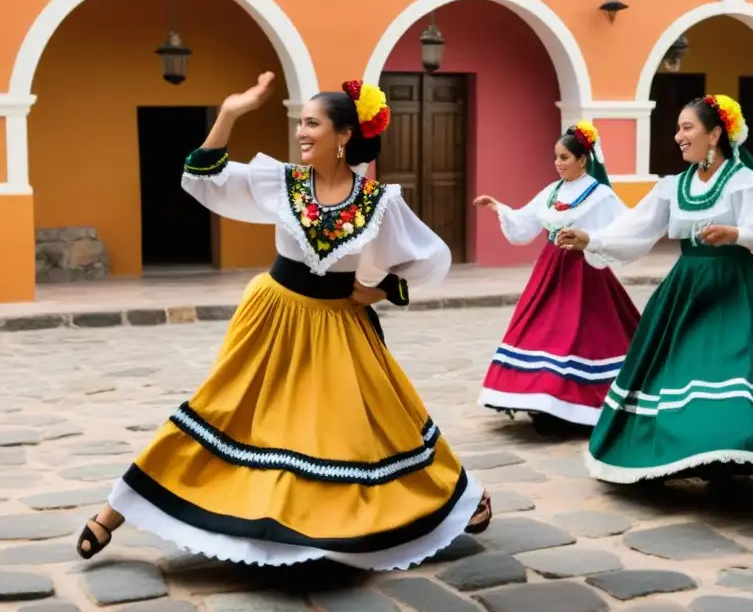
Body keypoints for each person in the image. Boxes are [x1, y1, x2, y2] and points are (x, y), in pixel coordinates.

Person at [76, 72, 491, 568]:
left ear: (344, 136)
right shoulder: (280, 182)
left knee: (376, 423)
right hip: (272, 316)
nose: (301, 133)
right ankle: (116, 509)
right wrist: (229, 113)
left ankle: (456, 500)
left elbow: (430, 258)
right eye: (300, 123)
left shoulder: (379, 203)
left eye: (312, 124)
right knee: (222, 409)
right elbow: (202, 177)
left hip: (338, 326)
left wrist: (381, 289)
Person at [557, 95, 753, 483]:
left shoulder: (743, 181)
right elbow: (635, 228)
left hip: (737, 291)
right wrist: (591, 239)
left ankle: (736, 454)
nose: (678, 136)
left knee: (738, 368)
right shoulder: (672, 186)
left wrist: (738, 233)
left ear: (715, 134)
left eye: (687, 128)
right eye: (678, 128)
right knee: (682, 369)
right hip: (686, 293)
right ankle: (695, 451)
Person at [473, 121, 641, 434]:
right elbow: (527, 218)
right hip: (550, 270)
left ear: (582, 159)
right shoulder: (554, 191)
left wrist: (590, 238)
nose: (558, 163)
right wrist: (499, 208)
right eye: (556, 157)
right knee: (543, 330)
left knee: (578, 334)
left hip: (584, 272)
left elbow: (625, 229)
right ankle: (542, 400)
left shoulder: (600, 195)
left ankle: (570, 405)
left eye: (564, 157)